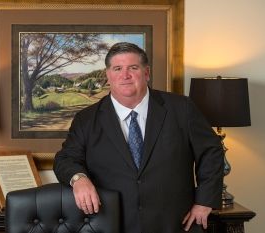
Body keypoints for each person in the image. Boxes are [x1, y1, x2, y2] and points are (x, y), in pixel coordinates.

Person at [53, 42, 224, 233]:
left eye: (133, 68)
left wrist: (204, 201)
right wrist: (79, 179)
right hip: (114, 224)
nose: (125, 75)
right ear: (108, 75)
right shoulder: (86, 119)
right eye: (117, 68)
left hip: (176, 224)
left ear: (146, 73)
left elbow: (212, 151)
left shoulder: (181, 108)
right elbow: (65, 159)